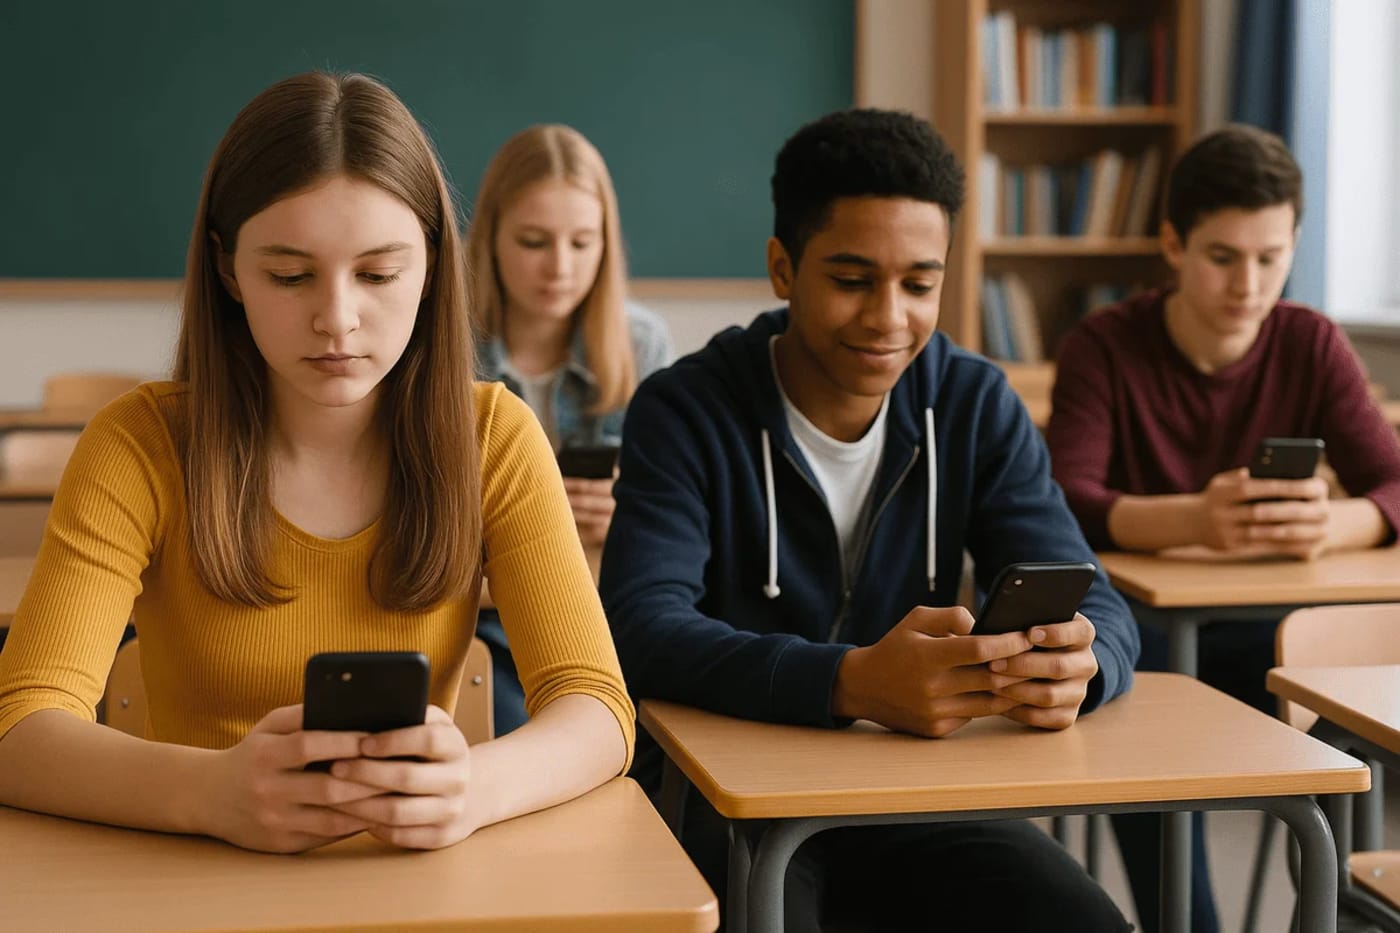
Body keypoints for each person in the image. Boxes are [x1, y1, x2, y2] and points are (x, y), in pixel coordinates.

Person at [0, 72, 633, 854]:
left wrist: (474, 787)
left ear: (433, 266)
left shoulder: (494, 438)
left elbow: (597, 707)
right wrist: (211, 793)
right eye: (290, 275)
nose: (337, 317)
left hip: (412, 879)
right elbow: (20, 726)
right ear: (228, 269)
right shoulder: (138, 444)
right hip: (194, 875)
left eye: (378, 274)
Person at [601, 108, 1137, 932]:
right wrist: (848, 681)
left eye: (920, 285)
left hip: (912, 789)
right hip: (727, 796)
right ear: (783, 269)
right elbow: (640, 626)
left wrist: (1082, 662)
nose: (890, 318)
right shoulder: (686, 409)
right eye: (853, 280)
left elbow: (1094, 596)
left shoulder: (973, 401)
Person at [1048, 124, 1400, 932]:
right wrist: (1195, 518)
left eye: (1270, 257)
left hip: (1268, 628)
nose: (1249, 283)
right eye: (1222, 256)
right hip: (1148, 629)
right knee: (1135, 693)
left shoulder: (1309, 341)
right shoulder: (1104, 344)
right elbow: (1066, 499)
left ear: (1294, 245)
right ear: (1173, 244)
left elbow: (1393, 482)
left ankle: (1336, 910)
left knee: (1338, 696)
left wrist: (1332, 524)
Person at [466, 124, 672, 736]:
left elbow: (667, 535)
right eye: (533, 241)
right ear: (491, 237)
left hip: (605, 614)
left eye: (583, 243)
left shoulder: (639, 343)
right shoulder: (444, 339)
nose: (560, 267)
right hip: (478, 622)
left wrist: (628, 515)